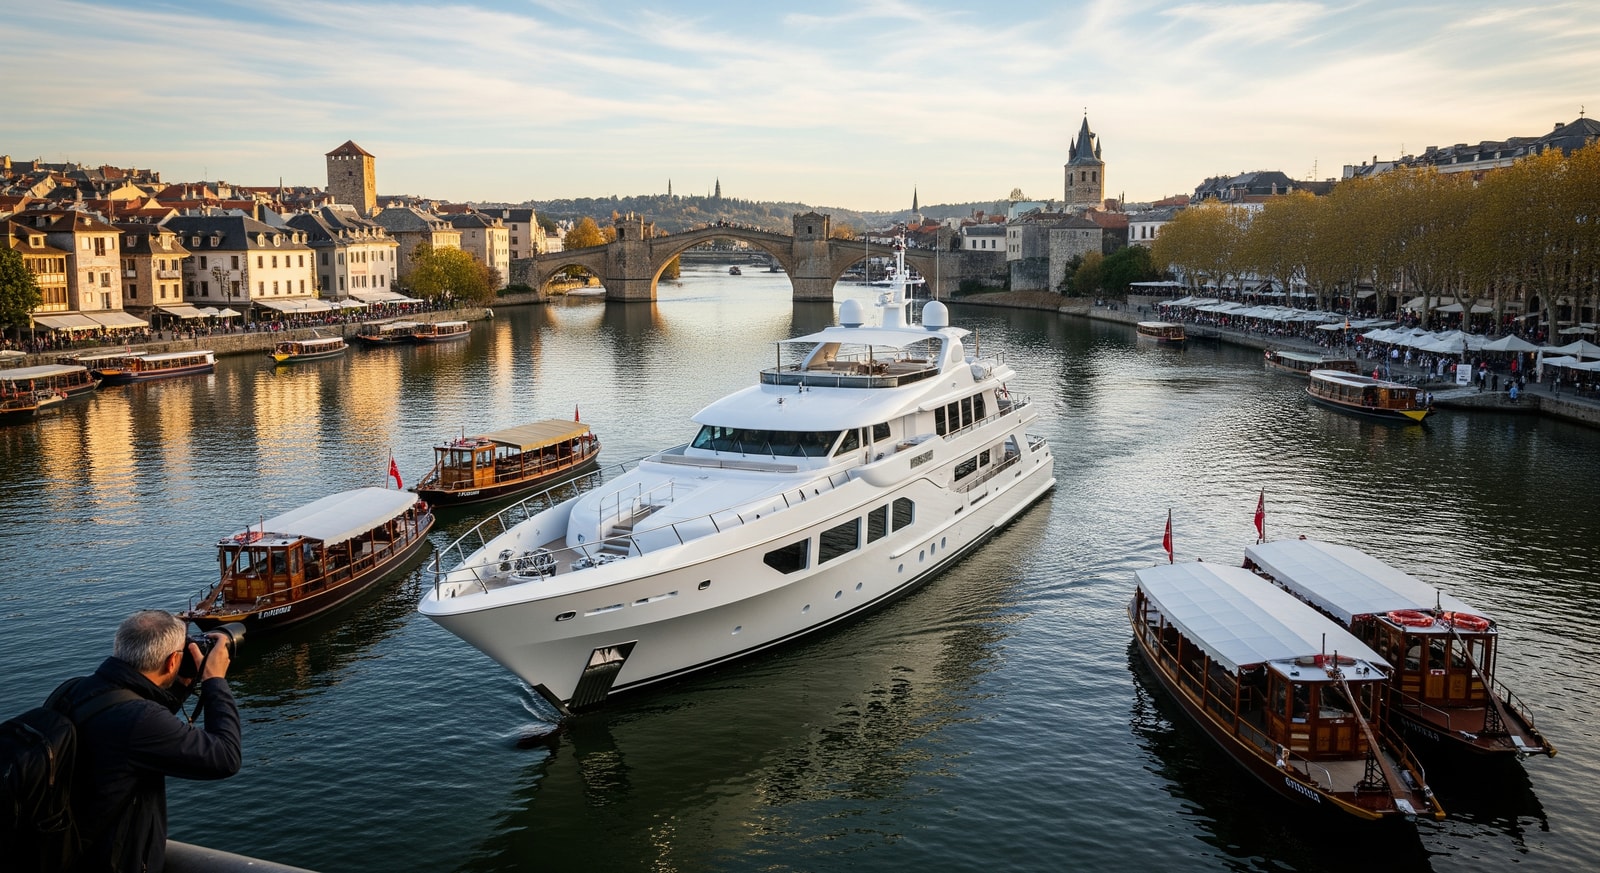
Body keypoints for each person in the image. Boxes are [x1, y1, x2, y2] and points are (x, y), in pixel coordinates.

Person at [48, 610, 241, 873]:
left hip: (64, 853)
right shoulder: (139, 720)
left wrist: (181, 684)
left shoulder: (72, 689)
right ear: (173, 661)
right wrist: (214, 681)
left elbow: (136, 726)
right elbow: (225, 757)